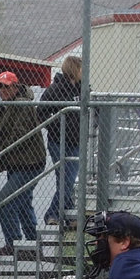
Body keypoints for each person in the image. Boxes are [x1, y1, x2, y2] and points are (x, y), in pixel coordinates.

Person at [0, 72, 45, 258]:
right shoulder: (2, 108)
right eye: (0, 86)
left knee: (4, 202)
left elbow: (18, 136)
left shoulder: (23, 105)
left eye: (7, 86)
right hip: (16, 163)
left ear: (16, 86)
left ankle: (14, 244)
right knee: (23, 205)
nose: (3, 90)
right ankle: (34, 247)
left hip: (30, 163)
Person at [37, 56, 83, 226]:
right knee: (66, 179)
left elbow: (96, 109)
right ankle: (55, 214)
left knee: (66, 180)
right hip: (58, 142)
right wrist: (57, 125)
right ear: (74, 69)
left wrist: (91, 123)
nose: (83, 73)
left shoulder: (82, 89)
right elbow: (41, 113)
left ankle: (64, 215)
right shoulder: (54, 89)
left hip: (77, 142)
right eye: (81, 69)